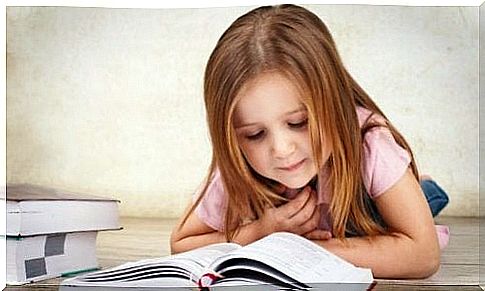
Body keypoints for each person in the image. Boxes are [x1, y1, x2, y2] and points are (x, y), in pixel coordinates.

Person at [170, 4, 449, 279]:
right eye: (255, 134)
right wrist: (262, 231)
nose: (282, 150)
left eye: (298, 122)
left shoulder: (370, 143)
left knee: (423, 200)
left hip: (372, 214)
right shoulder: (238, 159)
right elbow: (181, 243)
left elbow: (423, 255)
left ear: (335, 103)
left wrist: (302, 249)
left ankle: (422, 186)